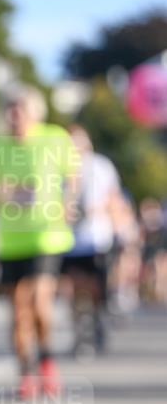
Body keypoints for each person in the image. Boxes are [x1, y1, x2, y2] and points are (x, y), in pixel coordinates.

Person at [0, 88, 78, 398]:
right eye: (10, 108)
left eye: (20, 107)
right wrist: (1, 193)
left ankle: (46, 361)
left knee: (39, 303)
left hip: (46, 236)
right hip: (10, 240)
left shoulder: (55, 138)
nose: (14, 114)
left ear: (35, 111)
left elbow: (72, 175)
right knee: (19, 310)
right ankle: (26, 372)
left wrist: (68, 202)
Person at [60, 125, 123, 356]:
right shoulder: (58, 167)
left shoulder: (101, 166)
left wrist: (115, 226)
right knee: (73, 289)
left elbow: (114, 198)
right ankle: (80, 332)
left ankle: (97, 320)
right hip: (68, 240)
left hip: (97, 237)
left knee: (95, 288)